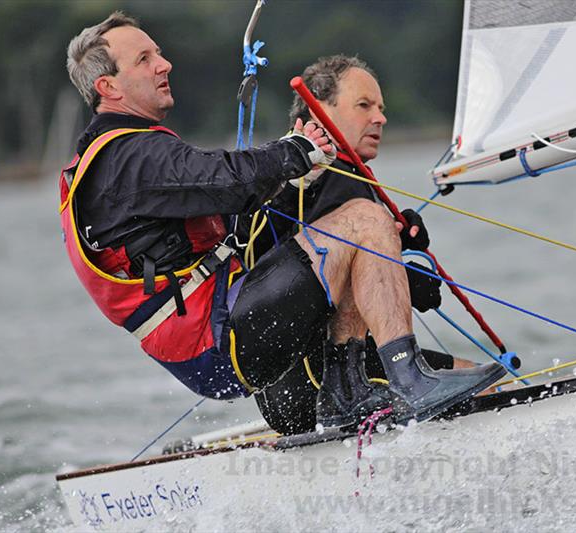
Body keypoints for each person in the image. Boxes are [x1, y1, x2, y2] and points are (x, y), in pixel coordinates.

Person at [62, 13, 506, 433]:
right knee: (364, 221)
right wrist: (295, 153)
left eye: (158, 53)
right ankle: (408, 381)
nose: (165, 64)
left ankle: (354, 392)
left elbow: (231, 208)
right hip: (219, 341)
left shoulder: (119, 157)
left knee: (365, 228)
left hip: (217, 337)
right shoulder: (128, 156)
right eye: (145, 59)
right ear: (109, 87)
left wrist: (398, 242)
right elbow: (227, 179)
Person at [253, 55, 484, 435]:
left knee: (467, 374)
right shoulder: (334, 178)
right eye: (364, 106)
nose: (380, 118)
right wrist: (409, 270)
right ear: (319, 110)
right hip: (321, 380)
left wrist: (402, 250)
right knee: (483, 383)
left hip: (285, 389)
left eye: (381, 108)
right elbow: (362, 286)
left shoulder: (312, 175)